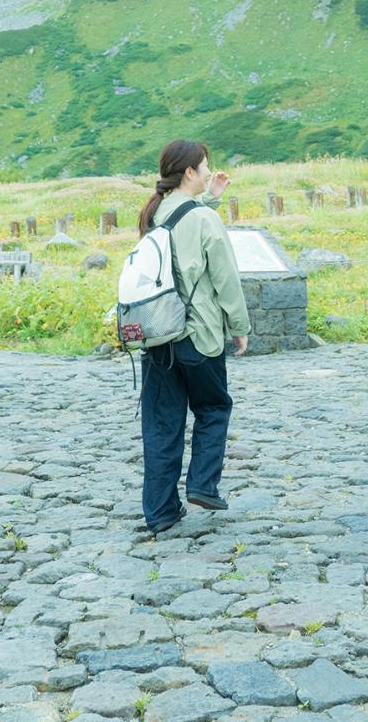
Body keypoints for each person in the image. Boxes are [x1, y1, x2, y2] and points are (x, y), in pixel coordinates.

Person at [136, 140, 250, 535]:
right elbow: (225, 278)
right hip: (197, 334)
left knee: (162, 424)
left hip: (157, 334)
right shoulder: (203, 219)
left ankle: (161, 511)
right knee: (214, 406)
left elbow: (184, 244)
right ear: (188, 173)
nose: (208, 173)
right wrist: (240, 327)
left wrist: (212, 201)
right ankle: (202, 484)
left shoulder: (155, 213)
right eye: (205, 167)